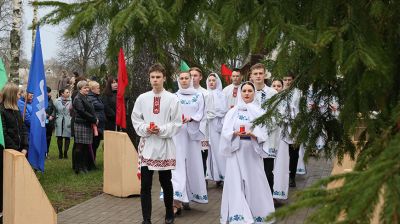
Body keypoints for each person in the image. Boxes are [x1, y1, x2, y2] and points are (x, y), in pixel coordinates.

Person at [131, 63, 182, 224]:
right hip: (148, 146)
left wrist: (161, 129)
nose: (155, 80)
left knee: (165, 182)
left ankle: (169, 214)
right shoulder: (142, 98)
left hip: (165, 146)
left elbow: (177, 122)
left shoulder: (173, 99)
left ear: (164, 78)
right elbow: (135, 119)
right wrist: (147, 128)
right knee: (145, 185)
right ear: (149, 78)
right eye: (152, 77)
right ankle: (146, 219)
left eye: (158, 77)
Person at [220, 82, 275, 224]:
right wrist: (234, 133)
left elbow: (265, 132)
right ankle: (238, 216)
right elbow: (225, 132)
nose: (246, 93)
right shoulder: (232, 112)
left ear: (254, 93)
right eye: (244, 90)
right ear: (240, 93)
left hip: (251, 151)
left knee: (255, 182)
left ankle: (258, 213)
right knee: (235, 183)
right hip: (235, 151)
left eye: (250, 90)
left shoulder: (260, 112)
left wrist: (254, 134)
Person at [168, 71, 208, 215]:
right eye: (181, 78)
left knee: (192, 166)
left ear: (191, 79)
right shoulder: (174, 96)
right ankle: (176, 201)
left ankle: (188, 198)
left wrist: (191, 119)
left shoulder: (199, 96)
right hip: (177, 136)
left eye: (187, 78)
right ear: (178, 80)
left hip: (192, 136)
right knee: (177, 167)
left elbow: (202, 114)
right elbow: (169, 114)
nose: (184, 80)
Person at [0, 83, 29, 223]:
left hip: (20, 152)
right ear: (12, 95)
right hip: (8, 152)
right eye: (18, 94)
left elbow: (23, 129)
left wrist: (24, 146)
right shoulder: (2, 111)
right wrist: (14, 150)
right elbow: (4, 134)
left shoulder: (17, 110)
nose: (20, 96)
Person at [250, 63, 278, 195]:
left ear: (265, 75)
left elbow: (277, 113)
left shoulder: (272, 93)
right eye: (255, 74)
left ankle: (269, 198)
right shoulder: (247, 91)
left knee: (268, 169)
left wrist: (264, 130)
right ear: (251, 76)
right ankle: (254, 197)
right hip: (251, 135)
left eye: (260, 73)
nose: (258, 76)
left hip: (268, 134)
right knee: (252, 168)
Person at [205, 73, 228, 186]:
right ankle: (214, 176)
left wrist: (214, 115)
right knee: (210, 152)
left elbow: (224, 110)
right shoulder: (204, 94)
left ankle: (223, 175)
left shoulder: (222, 95)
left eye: (214, 80)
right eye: (209, 80)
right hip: (207, 126)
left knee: (219, 151)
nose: (211, 82)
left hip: (218, 125)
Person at [72, 80, 98, 174]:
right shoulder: (78, 98)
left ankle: (84, 166)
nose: (87, 89)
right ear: (80, 89)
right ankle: (78, 168)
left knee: (85, 147)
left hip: (87, 124)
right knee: (79, 147)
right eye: (85, 88)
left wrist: (94, 118)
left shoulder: (86, 97)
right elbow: (82, 112)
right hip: (80, 124)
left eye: (87, 87)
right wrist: (93, 119)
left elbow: (90, 110)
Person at [282, 73, 301, 187]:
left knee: (294, 153)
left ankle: (292, 177)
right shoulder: (280, 93)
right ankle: (283, 175)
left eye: (289, 79)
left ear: (293, 80)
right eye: (285, 79)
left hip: (295, 126)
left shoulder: (298, 93)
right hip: (282, 126)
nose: (287, 82)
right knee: (283, 153)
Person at [189, 67, 208, 175]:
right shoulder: (185, 93)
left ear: (200, 77)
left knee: (201, 159)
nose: (193, 78)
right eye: (190, 75)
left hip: (202, 130)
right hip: (187, 131)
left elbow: (208, 113)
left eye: (195, 75)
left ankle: (202, 183)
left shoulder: (206, 94)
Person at [87, 81, 106, 162]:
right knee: (94, 144)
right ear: (92, 89)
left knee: (96, 144)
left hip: (100, 124)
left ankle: (92, 161)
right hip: (95, 125)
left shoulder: (96, 97)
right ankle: (91, 162)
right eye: (97, 88)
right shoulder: (91, 98)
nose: (99, 89)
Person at [55, 88, 72, 159]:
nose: (68, 93)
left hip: (68, 120)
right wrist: (56, 117)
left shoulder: (72, 101)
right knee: (59, 137)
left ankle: (65, 152)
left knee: (67, 137)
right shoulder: (56, 101)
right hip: (59, 120)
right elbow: (54, 110)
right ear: (62, 93)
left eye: (68, 92)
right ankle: (60, 153)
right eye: (67, 92)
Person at [45, 86, 56, 158]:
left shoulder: (50, 100)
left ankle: (46, 152)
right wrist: (47, 116)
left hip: (49, 123)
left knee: (48, 138)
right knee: (43, 138)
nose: (49, 94)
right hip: (43, 122)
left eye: (49, 92)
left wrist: (52, 115)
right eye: (47, 92)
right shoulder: (39, 100)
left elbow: (54, 109)